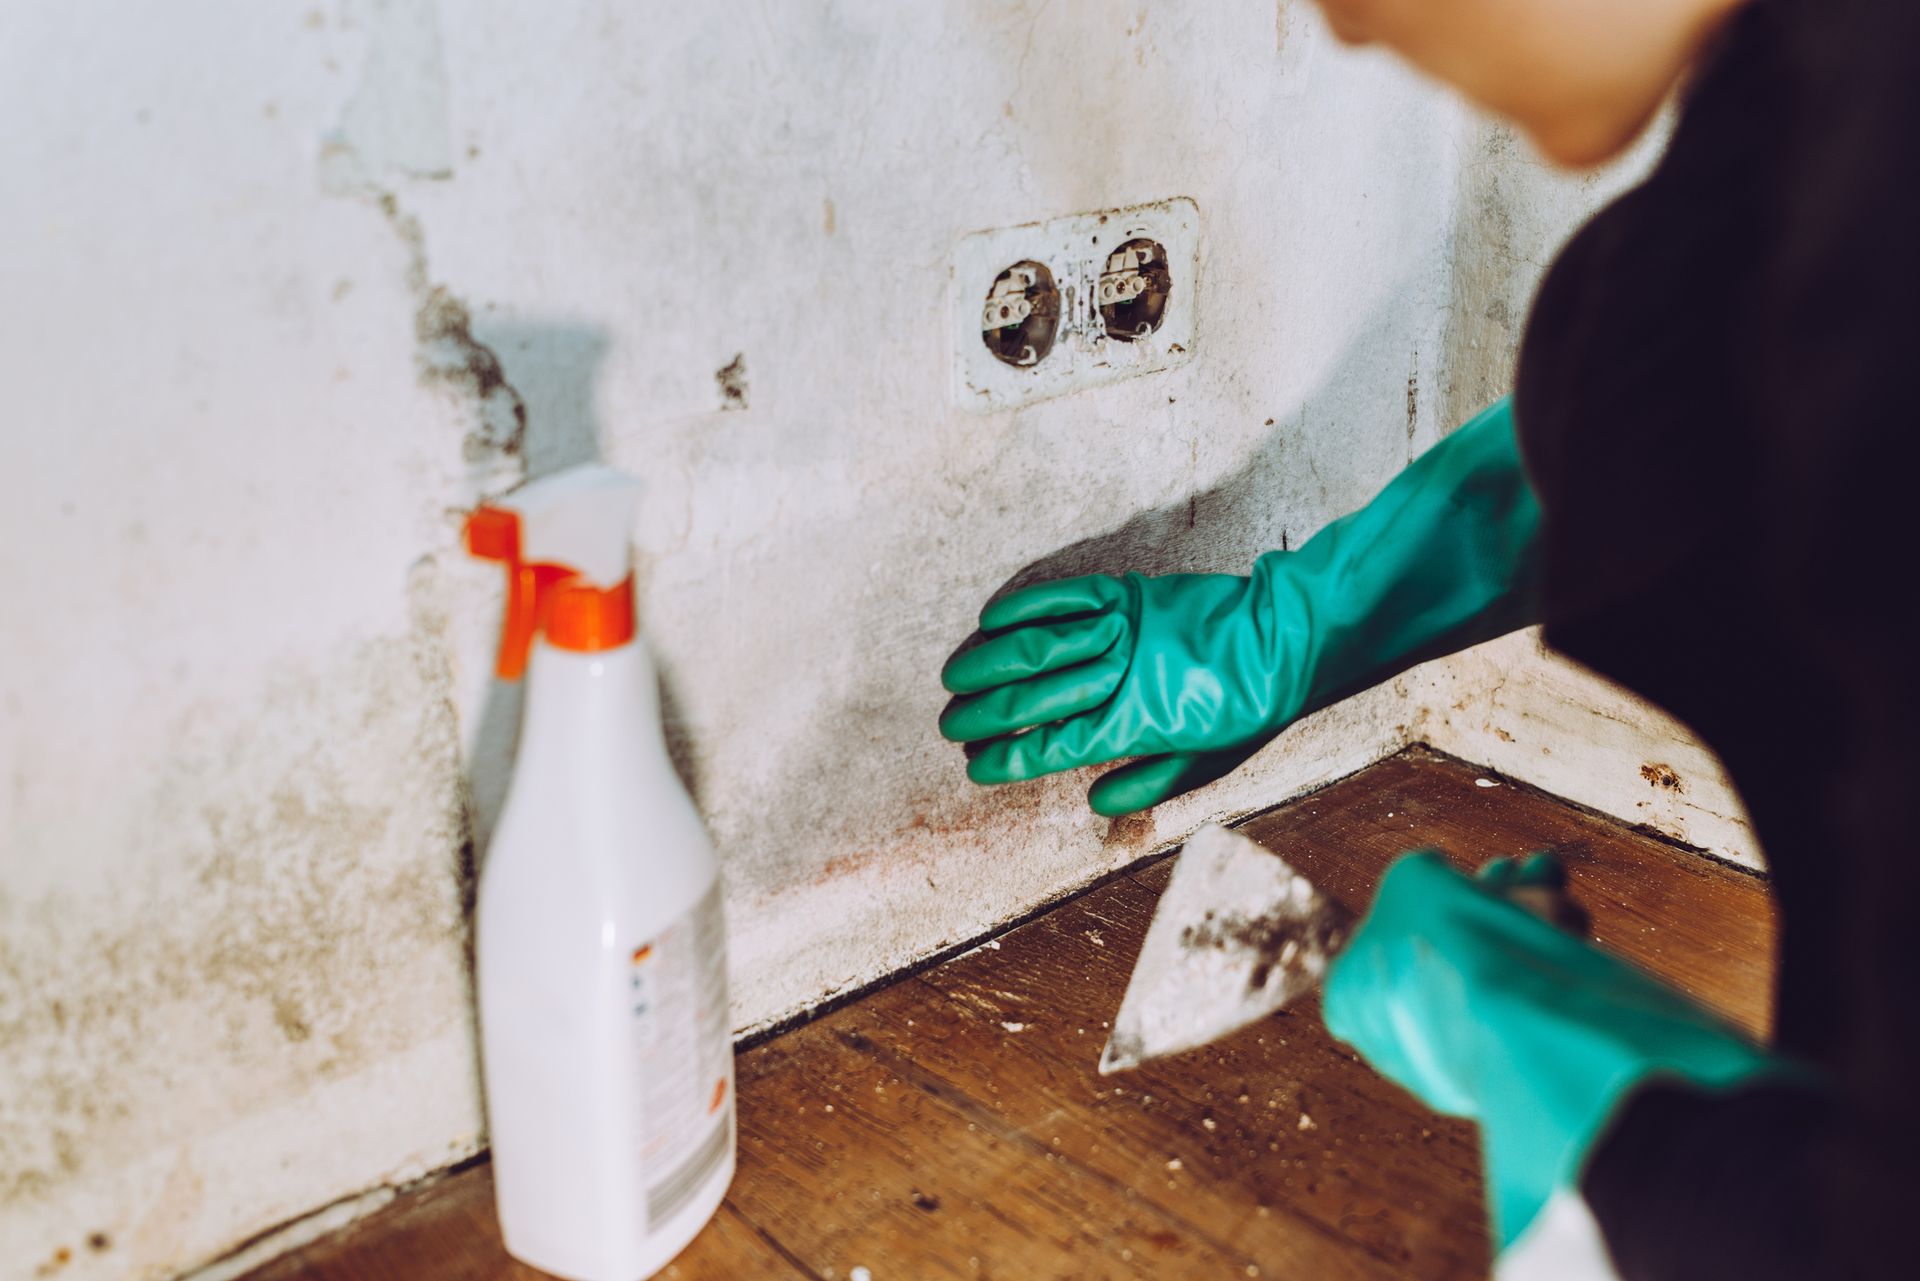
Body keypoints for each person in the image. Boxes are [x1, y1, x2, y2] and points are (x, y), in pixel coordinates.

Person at [938, 1, 1918, 1275]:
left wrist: (1584, 1073)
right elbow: (1685, 408)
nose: (1340, 25)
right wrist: (1300, 626)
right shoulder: (1827, 125)